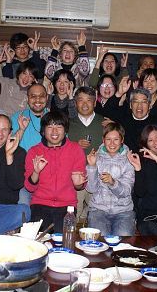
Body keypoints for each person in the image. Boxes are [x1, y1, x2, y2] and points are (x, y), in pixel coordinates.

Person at [24, 111, 87, 232]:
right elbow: (29, 188)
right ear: (43, 131)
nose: (54, 131)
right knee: (38, 241)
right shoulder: (34, 151)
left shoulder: (75, 149)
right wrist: (36, 172)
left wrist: (78, 183)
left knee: (64, 241)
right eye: (50, 127)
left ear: (65, 130)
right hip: (40, 204)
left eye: (59, 127)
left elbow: (80, 185)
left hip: (67, 206)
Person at [86, 122, 135, 236]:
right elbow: (91, 189)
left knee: (123, 237)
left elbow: (126, 191)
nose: (112, 143)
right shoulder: (95, 157)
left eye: (116, 139)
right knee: (100, 237)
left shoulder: (129, 159)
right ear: (103, 140)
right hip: (98, 209)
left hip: (123, 210)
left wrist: (113, 183)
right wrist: (92, 166)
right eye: (108, 139)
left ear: (122, 140)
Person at [67, 87, 104, 222]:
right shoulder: (68, 124)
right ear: (75, 103)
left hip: (99, 175)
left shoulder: (105, 123)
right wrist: (75, 145)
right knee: (72, 215)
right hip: (76, 176)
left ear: (95, 103)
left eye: (89, 100)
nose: (85, 104)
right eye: (80, 100)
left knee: (96, 217)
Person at [11, 83, 49, 151]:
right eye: (33, 96)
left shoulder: (55, 118)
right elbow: (10, 147)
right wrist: (21, 130)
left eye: (42, 96)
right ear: (27, 99)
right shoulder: (17, 117)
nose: (37, 100)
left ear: (47, 98)